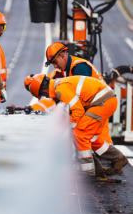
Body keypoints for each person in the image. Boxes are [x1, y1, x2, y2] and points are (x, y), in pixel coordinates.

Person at [24, 73, 128, 177]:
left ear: (44, 91)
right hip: (105, 101)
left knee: (80, 133)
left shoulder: (60, 90)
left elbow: (78, 111)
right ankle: (117, 159)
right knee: (90, 137)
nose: (46, 96)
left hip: (103, 101)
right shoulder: (59, 84)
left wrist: (69, 128)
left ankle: (88, 172)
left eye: (44, 95)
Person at [45, 42, 115, 170]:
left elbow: (84, 94)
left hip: (99, 103)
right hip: (98, 103)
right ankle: (110, 163)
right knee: (93, 135)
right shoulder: (70, 68)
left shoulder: (79, 67)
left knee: (91, 133)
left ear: (63, 55)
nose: (55, 66)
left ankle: (108, 164)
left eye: (55, 62)